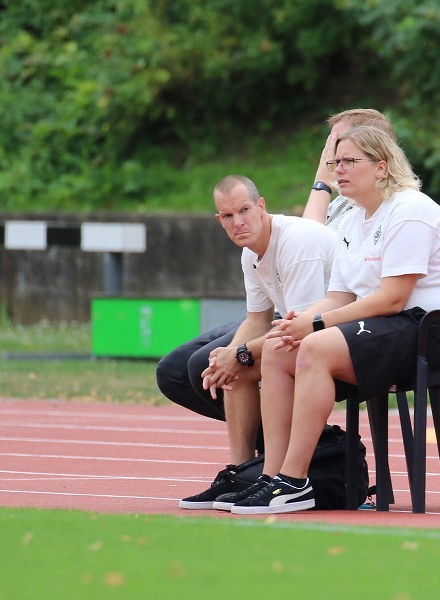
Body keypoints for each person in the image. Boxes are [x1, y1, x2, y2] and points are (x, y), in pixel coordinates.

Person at [220, 126, 440, 515]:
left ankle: (295, 482)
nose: (339, 170)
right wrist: (297, 320)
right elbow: (339, 297)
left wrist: (315, 327)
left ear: (381, 167)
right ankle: (271, 477)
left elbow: (393, 298)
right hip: (400, 324)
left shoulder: (410, 208)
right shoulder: (351, 222)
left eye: (349, 162)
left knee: (314, 346)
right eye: (336, 162)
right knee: (281, 348)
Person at [157, 110, 397, 509]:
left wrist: (241, 354)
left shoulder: (377, 210)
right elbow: (260, 316)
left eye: (338, 149)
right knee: (193, 367)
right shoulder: (341, 208)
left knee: (229, 361)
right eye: (329, 149)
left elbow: (325, 300)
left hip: (328, 324)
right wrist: (233, 353)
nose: (329, 156)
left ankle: (289, 461)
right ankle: (255, 468)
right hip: (303, 315)